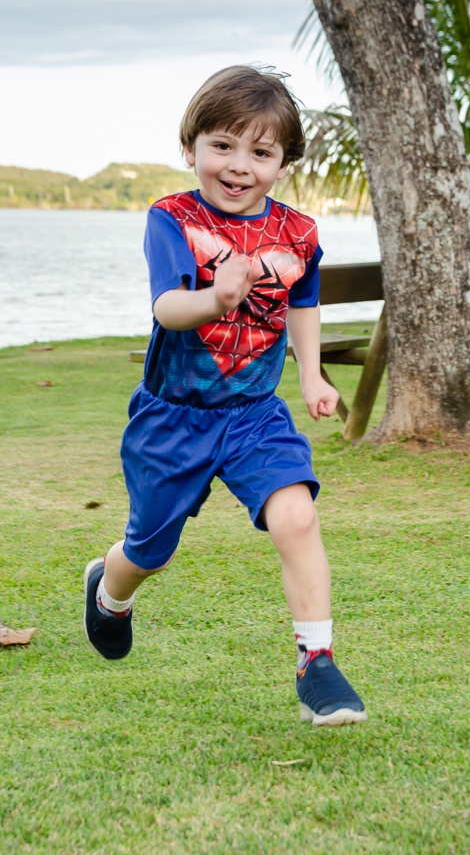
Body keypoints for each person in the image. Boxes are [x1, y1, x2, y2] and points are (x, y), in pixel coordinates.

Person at [83, 65, 366, 727]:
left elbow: (303, 300)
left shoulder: (298, 233)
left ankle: (317, 662)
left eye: (261, 152)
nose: (240, 165)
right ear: (191, 149)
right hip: (172, 419)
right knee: (149, 551)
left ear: (283, 164)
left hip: (254, 414)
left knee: (296, 515)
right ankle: (109, 594)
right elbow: (168, 307)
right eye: (222, 145)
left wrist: (311, 375)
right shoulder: (172, 219)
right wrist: (217, 297)